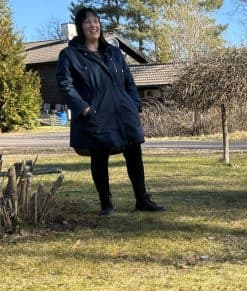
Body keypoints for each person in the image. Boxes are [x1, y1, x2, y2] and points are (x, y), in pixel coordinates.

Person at [56, 7, 165, 216]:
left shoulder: (114, 52)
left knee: (134, 154)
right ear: (80, 27)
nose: (93, 25)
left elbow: (129, 82)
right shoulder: (70, 55)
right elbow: (64, 84)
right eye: (87, 22)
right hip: (96, 114)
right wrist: (84, 108)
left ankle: (142, 200)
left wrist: (134, 104)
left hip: (123, 112)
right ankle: (106, 204)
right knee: (99, 157)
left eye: (96, 21)